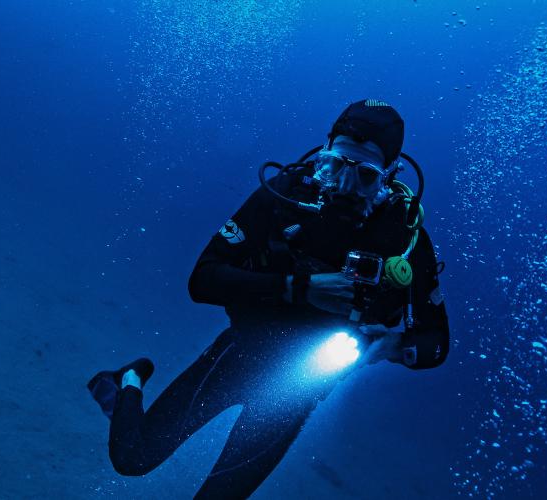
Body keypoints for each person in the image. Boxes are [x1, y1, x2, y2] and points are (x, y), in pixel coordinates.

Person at [87, 99, 450, 499]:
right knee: (133, 460)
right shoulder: (284, 195)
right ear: (323, 154)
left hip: (299, 389)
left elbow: (435, 343)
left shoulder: (404, 235)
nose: (345, 187)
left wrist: (390, 346)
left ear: (389, 175)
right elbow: (202, 280)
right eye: (335, 167)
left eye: (364, 175)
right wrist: (298, 288)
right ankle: (129, 380)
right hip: (239, 352)